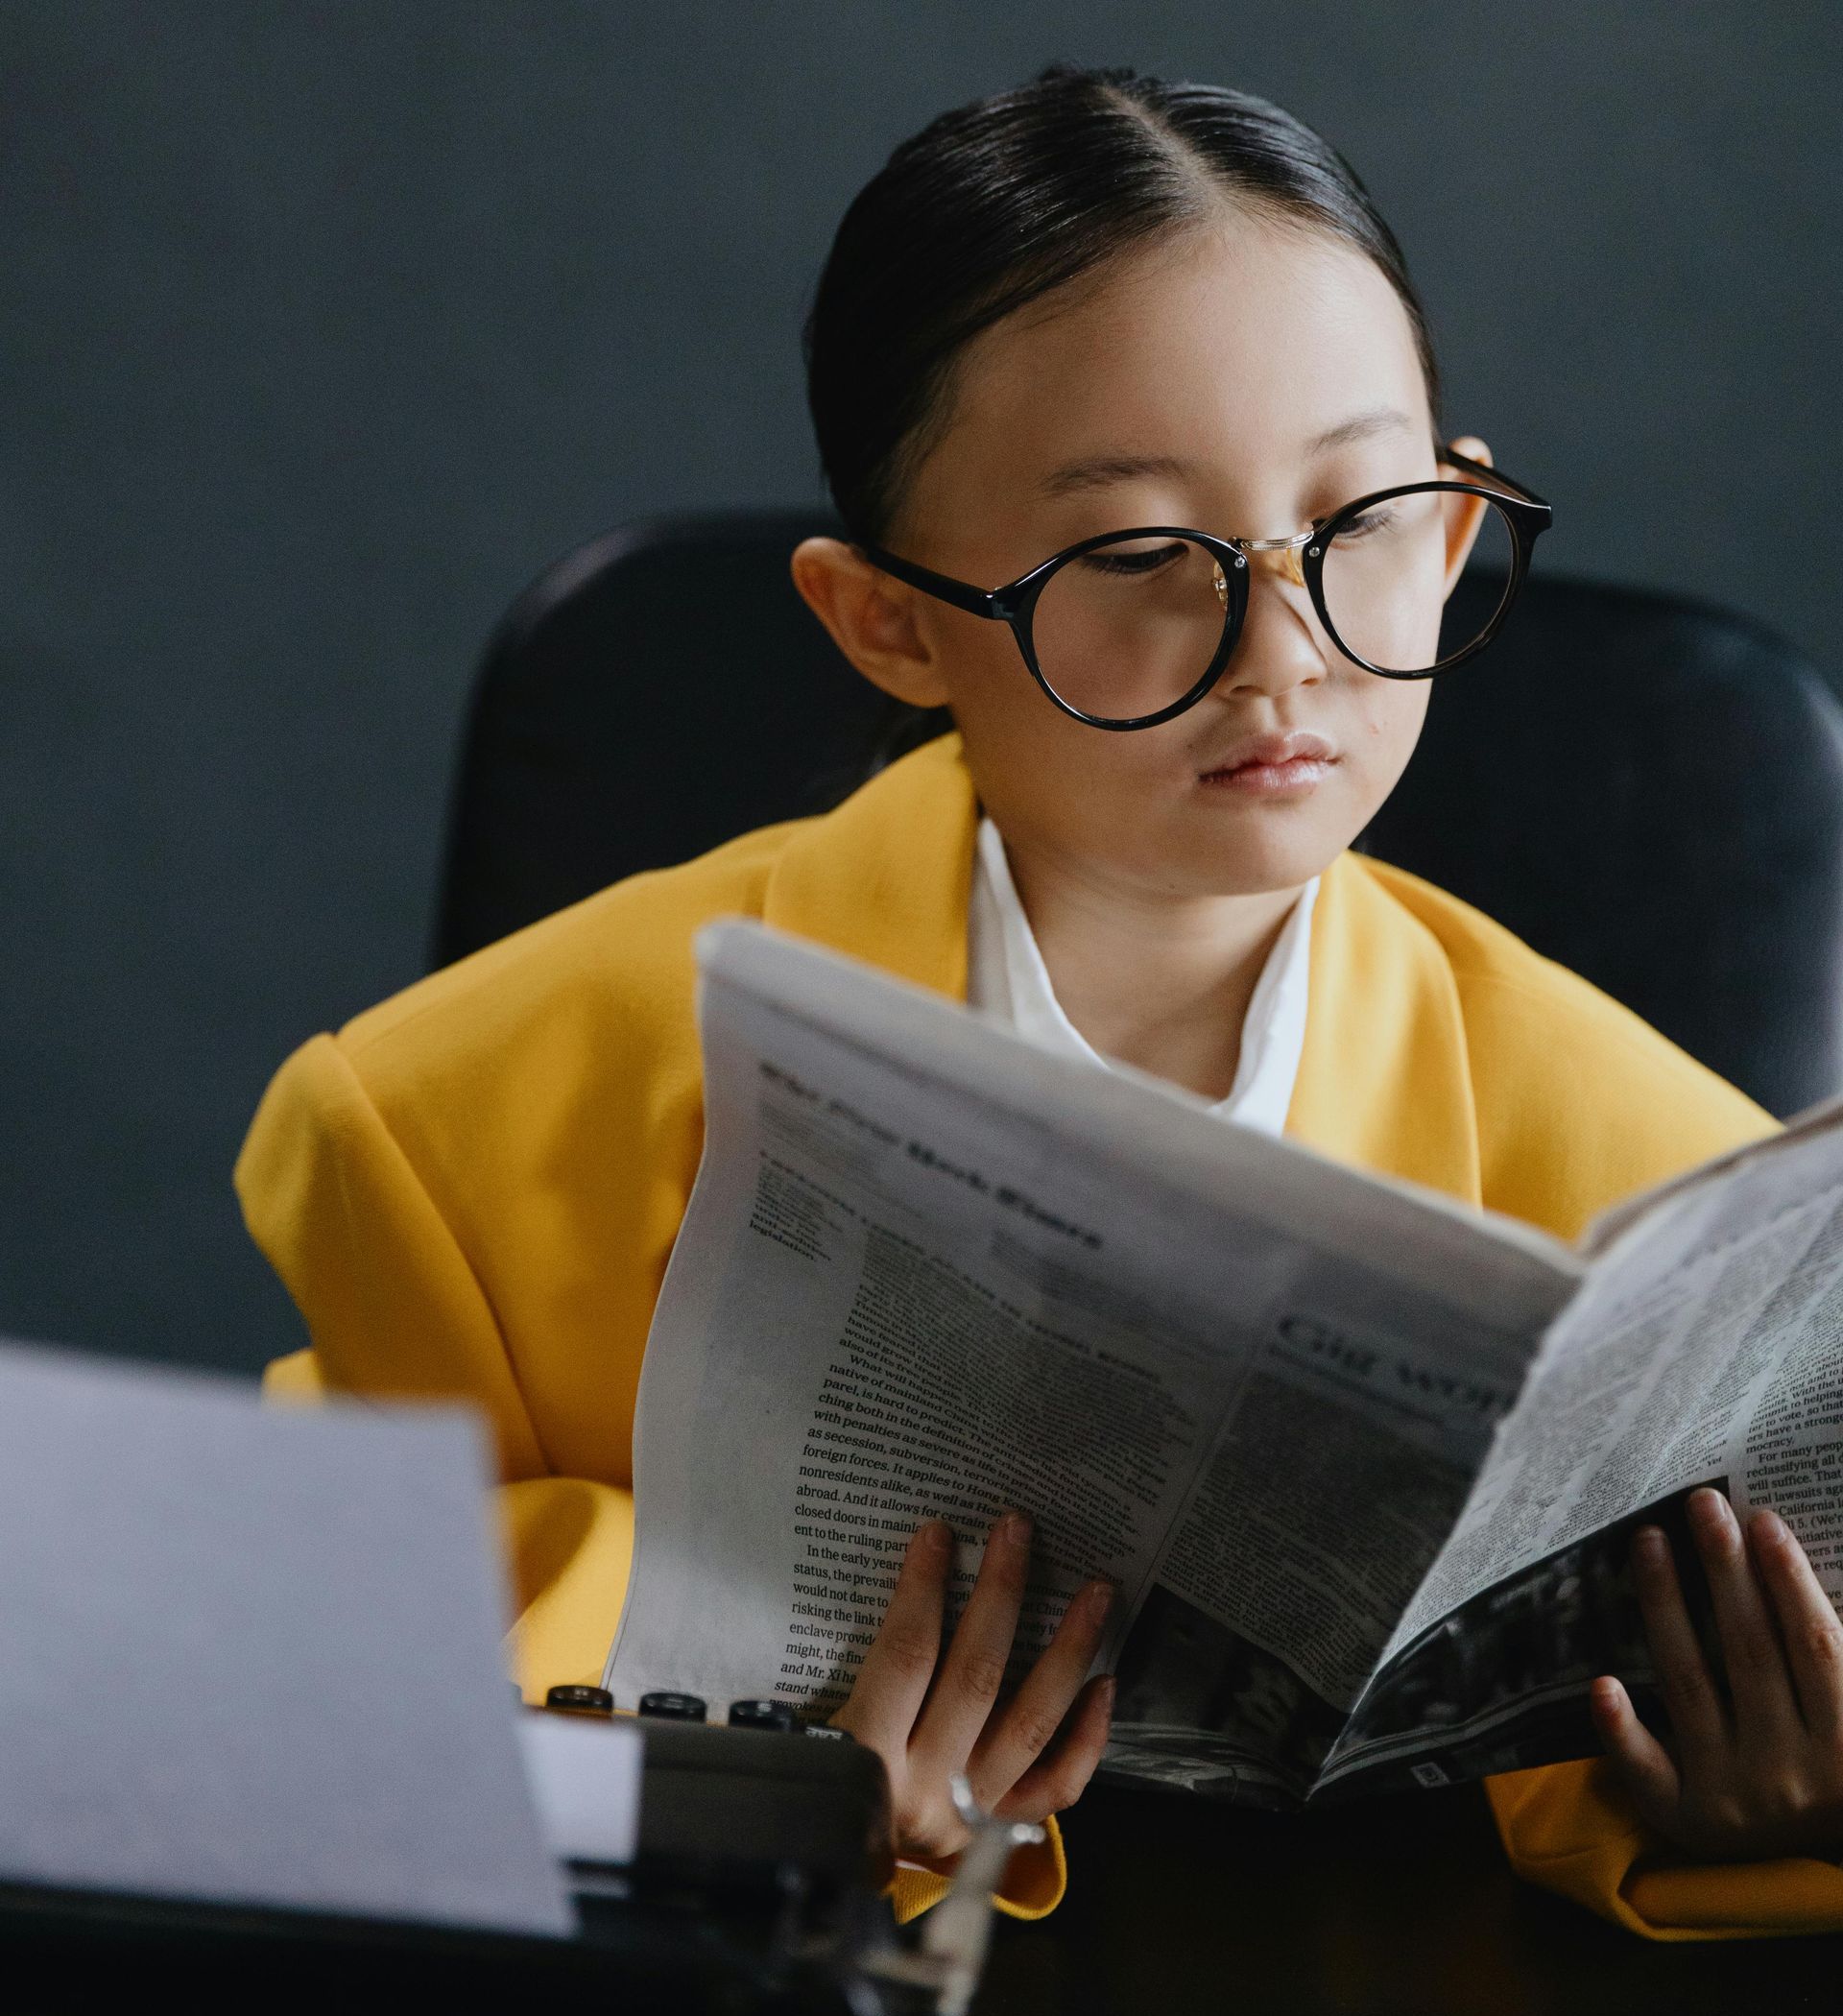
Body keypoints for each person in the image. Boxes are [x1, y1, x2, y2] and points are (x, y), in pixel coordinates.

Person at [236, 64, 1843, 1935]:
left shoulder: (1658, 1163)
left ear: (1462, 520)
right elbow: (319, 1663)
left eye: (1366, 516)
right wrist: (748, 1783)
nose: (1285, 653)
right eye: (1143, 557)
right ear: (889, 622)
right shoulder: (453, 1122)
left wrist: (1759, 1806)